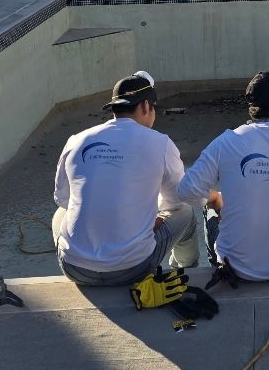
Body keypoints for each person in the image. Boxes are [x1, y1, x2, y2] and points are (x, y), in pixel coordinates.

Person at [52, 71, 202, 285]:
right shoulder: (160, 143)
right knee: (185, 213)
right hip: (133, 269)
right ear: (145, 106)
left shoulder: (76, 140)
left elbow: (62, 199)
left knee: (60, 213)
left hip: (75, 269)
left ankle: (81, 255)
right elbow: (177, 200)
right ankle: (186, 272)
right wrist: (152, 218)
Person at [177, 70, 269, 282]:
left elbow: (187, 189)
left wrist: (216, 199)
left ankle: (218, 268)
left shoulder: (226, 142)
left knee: (208, 207)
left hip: (237, 269)